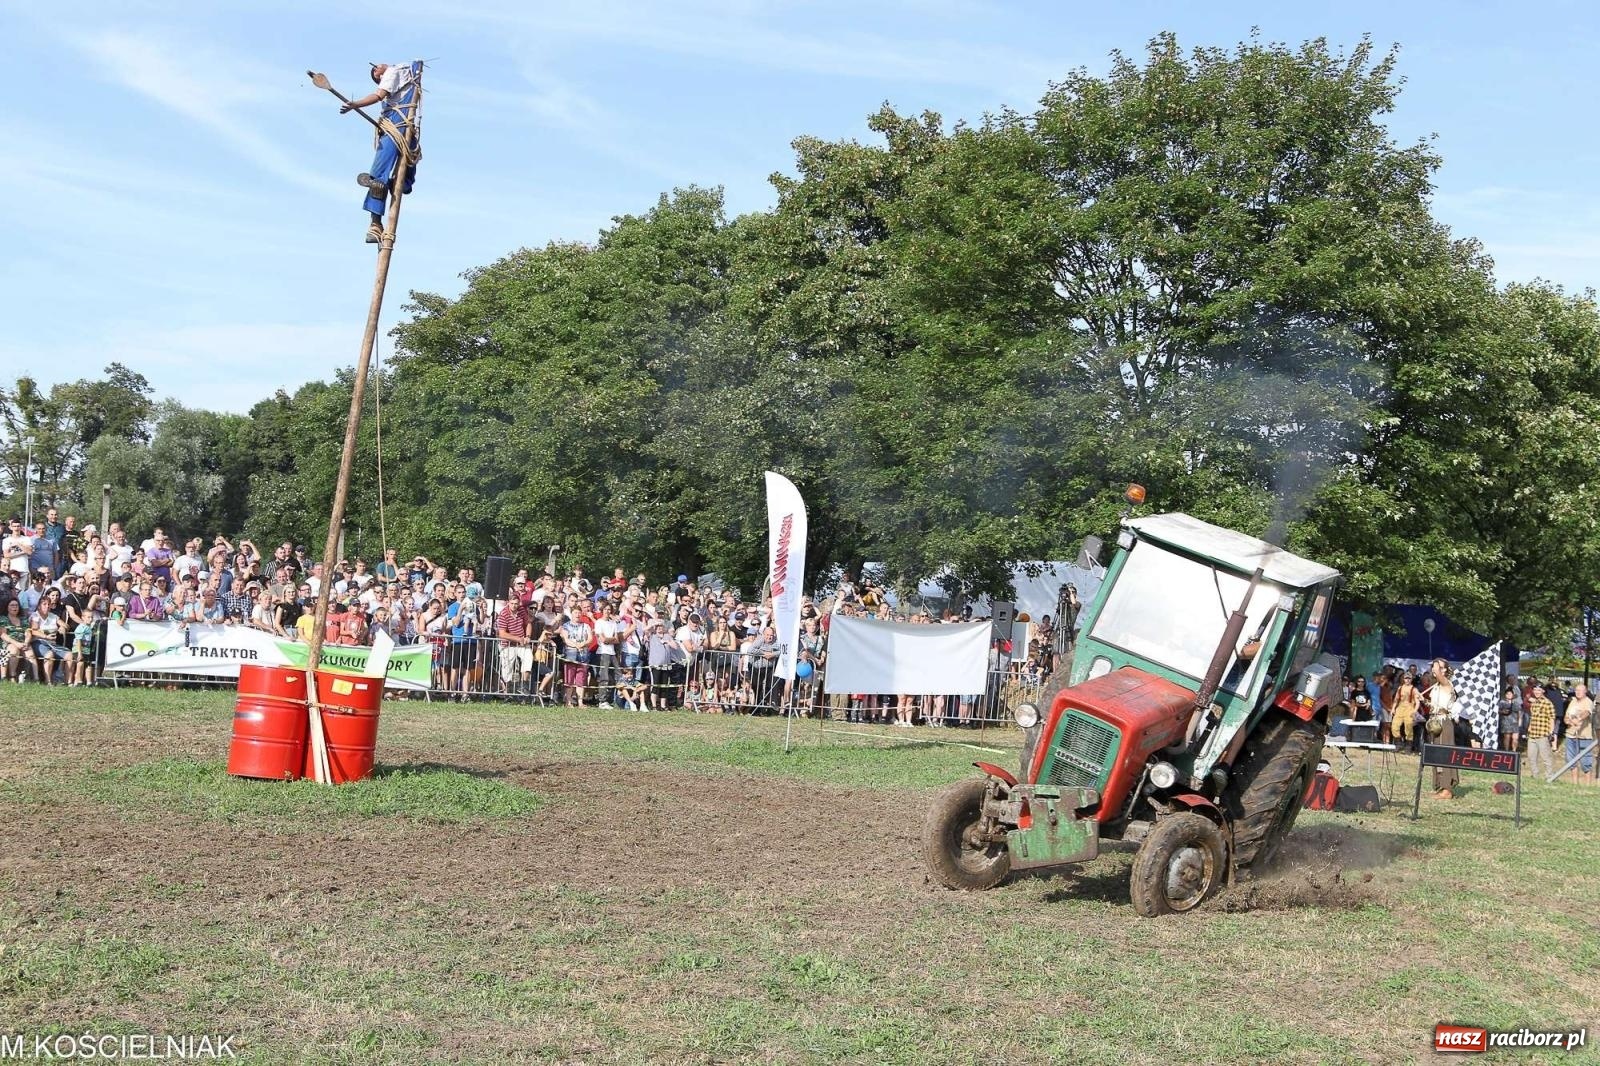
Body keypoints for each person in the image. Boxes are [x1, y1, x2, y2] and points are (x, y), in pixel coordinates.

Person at [339, 62, 420, 243]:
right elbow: (378, 95)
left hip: (407, 126)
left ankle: (393, 184)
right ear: (379, 76)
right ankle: (375, 224)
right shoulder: (392, 72)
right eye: (376, 69)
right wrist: (356, 104)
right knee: (378, 178)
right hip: (395, 125)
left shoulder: (407, 72)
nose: (379, 65)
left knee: (407, 172)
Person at [1423, 658, 1459, 798]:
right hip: (1435, 721)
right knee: (1435, 754)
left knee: (1444, 755)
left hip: (1444, 723)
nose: (1434, 669)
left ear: (1444, 670)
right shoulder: (1436, 685)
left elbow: (1438, 673)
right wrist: (1424, 701)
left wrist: (1437, 662)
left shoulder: (1447, 683)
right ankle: (1439, 786)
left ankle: (1447, 789)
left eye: (1438, 667)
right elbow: (1435, 706)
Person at [1562, 682, 1595, 783]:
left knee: (1586, 762)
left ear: (1585, 692)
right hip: (1570, 735)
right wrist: (1567, 720)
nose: (1578, 692)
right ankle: (1574, 784)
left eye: (1580, 691)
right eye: (1576, 690)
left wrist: (1579, 718)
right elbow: (1566, 716)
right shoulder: (1573, 702)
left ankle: (1587, 785)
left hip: (1584, 736)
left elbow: (1587, 712)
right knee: (1571, 760)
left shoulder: (1588, 701)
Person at [1525, 683, 1558, 779]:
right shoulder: (1534, 703)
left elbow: (1552, 718)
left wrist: (1551, 733)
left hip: (1543, 734)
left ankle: (1549, 776)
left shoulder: (1548, 703)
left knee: (1546, 757)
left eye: (1539, 690)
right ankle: (1535, 775)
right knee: (1531, 756)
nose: (1536, 692)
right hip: (1532, 734)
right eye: (1535, 690)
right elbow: (1532, 717)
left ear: (1543, 691)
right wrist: (1529, 728)